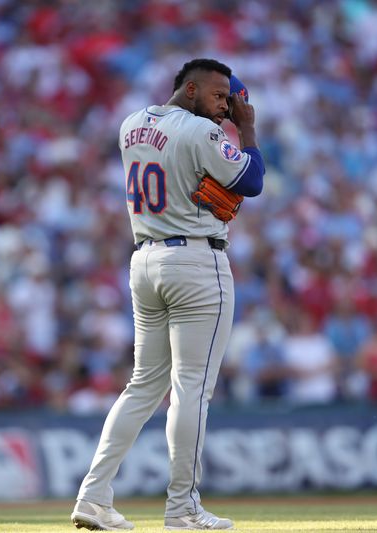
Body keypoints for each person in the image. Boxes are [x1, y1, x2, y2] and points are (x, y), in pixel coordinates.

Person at [71, 58, 265, 531]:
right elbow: (253, 181)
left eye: (229, 98)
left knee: (143, 384)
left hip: (145, 260)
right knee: (192, 388)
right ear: (192, 89)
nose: (225, 106)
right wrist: (248, 128)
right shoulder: (202, 134)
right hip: (197, 262)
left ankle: (93, 496)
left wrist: (224, 104)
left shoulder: (131, 124)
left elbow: (182, 156)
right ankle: (182, 508)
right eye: (219, 96)